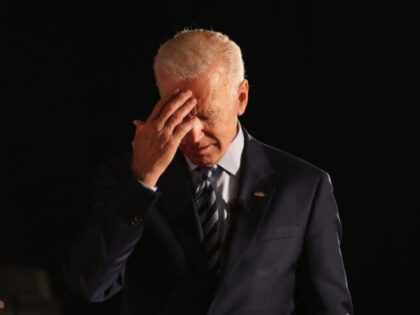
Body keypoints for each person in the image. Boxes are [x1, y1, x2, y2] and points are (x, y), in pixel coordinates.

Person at [62, 29, 354, 314]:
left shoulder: (303, 186)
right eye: (179, 116)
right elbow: (90, 286)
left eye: (206, 116)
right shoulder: (124, 178)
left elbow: (329, 306)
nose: (193, 136)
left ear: (241, 98)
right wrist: (142, 181)